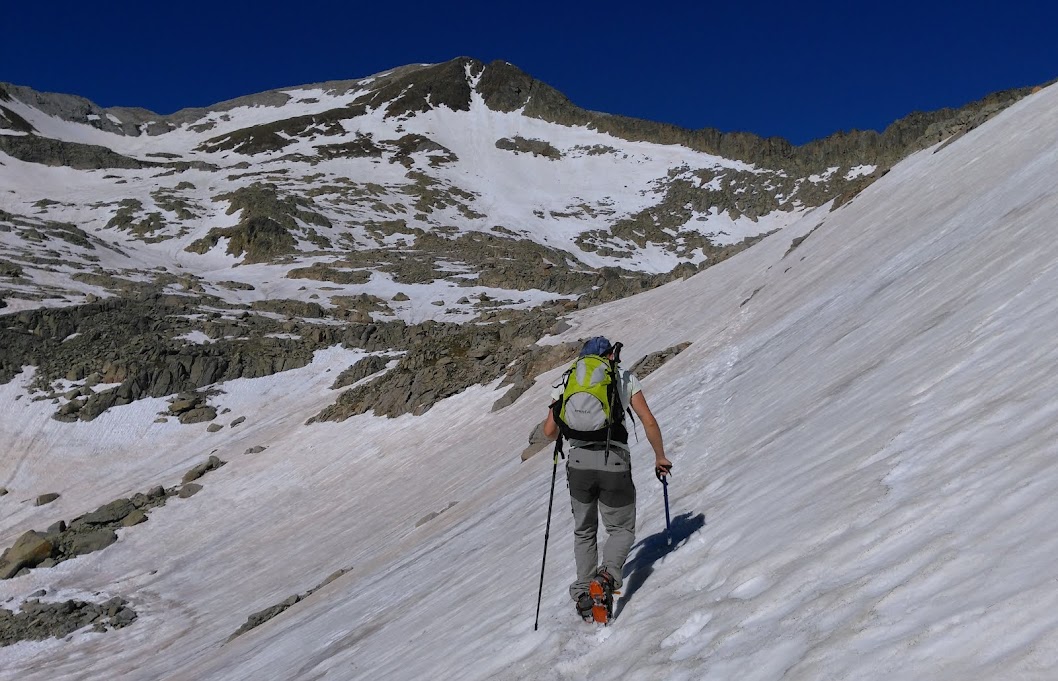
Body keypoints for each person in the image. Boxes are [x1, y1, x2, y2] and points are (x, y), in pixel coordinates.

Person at [542, 336, 671, 621]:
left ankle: (584, 593)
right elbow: (648, 420)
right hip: (613, 461)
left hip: (577, 464)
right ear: (611, 356)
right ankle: (607, 579)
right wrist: (660, 456)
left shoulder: (568, 379)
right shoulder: (622, 377)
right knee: (621, 529)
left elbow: (549, 431)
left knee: (584, 530)